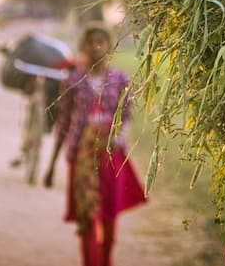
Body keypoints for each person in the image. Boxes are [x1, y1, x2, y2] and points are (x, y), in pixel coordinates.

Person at [43, 21, 147, 266]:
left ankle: (106, 259)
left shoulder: (120, 80)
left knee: (109, 213)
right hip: (81, 158)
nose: (96, 46)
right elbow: (64, 122)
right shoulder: (72, 80)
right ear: (84, 46)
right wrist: (51, 166)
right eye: (91, 42)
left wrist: (117, 138)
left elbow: (127, 117)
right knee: (87, 215)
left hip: (110, 156)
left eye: (101, 41)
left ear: (110, 47)